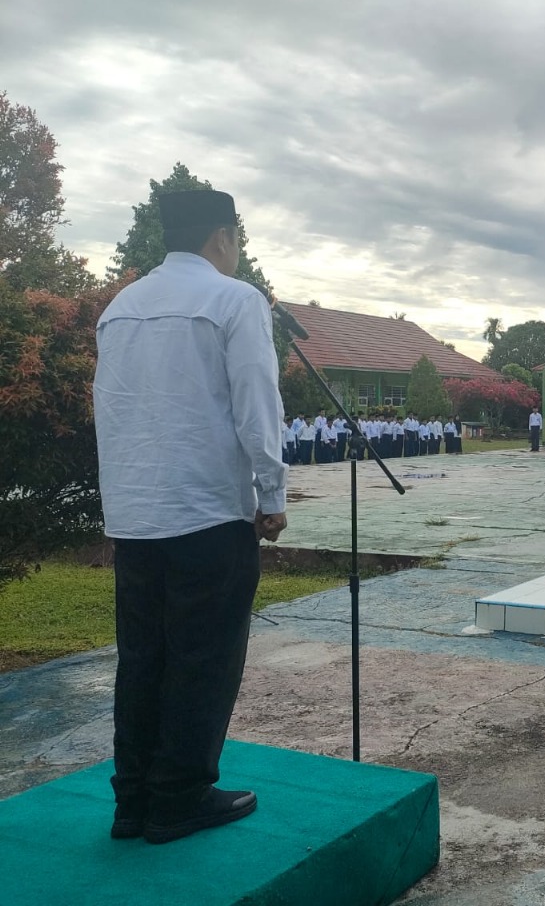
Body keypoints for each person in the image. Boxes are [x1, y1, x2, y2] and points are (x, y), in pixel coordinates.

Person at [93, 190, 286, 844]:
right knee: (202, 659)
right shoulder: (235, 300)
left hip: (136, 516)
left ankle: (132, 801)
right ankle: (178, 797)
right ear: (223, 237)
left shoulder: (121, 307)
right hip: (207, 513)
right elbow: (256, 403)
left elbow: (113, 409)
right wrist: (272, 494)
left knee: (142, 659)